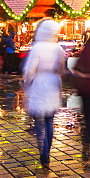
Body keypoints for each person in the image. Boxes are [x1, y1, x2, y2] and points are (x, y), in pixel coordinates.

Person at [22, 18, 67, 167]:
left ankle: (42, 149)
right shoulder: (58, 48)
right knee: (49, 120)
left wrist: (27, 84)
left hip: (39, 83)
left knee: (38, 121)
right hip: (53, 83)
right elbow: (61, 68)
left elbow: (29, 70)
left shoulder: (38, 47)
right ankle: (46, 152)